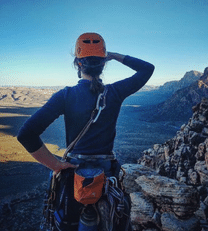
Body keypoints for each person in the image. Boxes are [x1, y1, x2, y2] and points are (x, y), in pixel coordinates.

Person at [17, 32, 155, 230]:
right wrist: (114, 55)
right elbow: (147, 69)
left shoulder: (65, 95)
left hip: (73, 176)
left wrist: (56, 164)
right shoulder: (115, 92)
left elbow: (26, 134)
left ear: (77, 63)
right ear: (103, 64)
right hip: (107, 175)